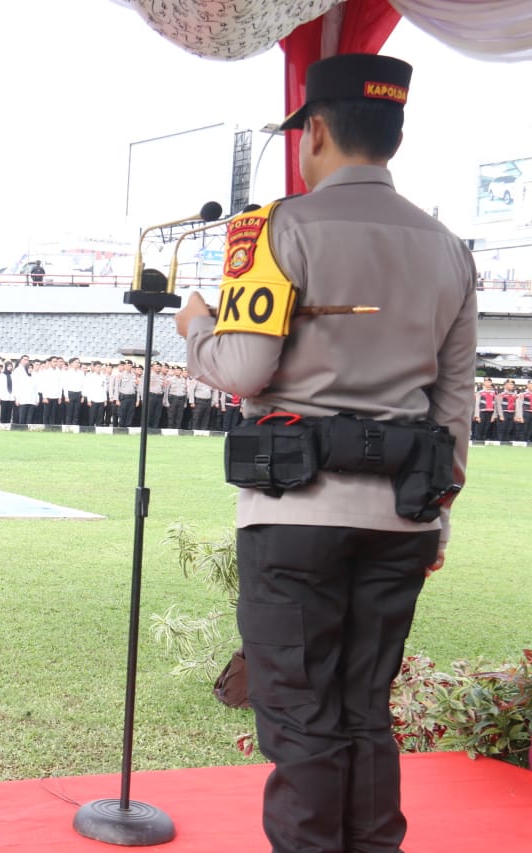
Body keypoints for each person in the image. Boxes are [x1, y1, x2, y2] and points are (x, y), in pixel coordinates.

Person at [176, 54, 476, 853]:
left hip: (296, 513)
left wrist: (196, 329)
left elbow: (244, 369)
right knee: (364, 710)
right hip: (402, 516)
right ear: (394, 135)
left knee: (302, 713)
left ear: (313, 134)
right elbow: (453, 405)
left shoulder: (280, 229)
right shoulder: (450, 247)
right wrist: (438, 516)